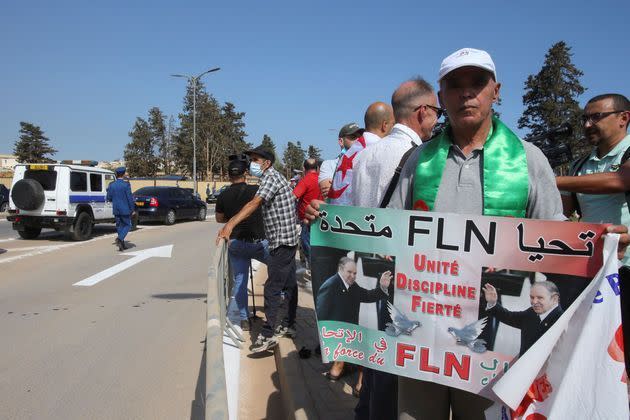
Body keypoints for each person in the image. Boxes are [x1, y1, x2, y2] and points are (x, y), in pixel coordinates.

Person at [216, 145, 299, 353]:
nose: (252, 163)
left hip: (282, 240)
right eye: (251, 160)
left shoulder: (271, 177)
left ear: (266, 163)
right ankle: (288, 323)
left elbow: (255, 203)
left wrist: (229, 225)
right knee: (288, 282)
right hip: (282, 239)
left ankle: (268, 334)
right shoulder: (270, 178)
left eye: (255, 159)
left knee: (271, 287)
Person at [557, 93, 630, 264]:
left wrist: (552, 181)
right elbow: (559, 215)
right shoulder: (578, 166)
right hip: (592, 265)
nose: (587, 125)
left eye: (596, 117)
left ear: (623, 118)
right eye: (585, 119)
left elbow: (621, 179)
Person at [352, 78, 441, 208]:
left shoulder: (361, 155)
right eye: (437, 112)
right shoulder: (422, 158)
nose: (438, 120)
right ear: (423, 111)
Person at [216, 156, 269, 331]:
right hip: (258, 243)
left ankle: (245, 319)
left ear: (228, 175)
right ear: (245, 173)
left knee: (240, 280)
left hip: (237, 243)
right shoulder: (256, 190)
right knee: (280, 267)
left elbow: (219, 218)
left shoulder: (223, 195)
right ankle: (277, 306)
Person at [328, 102, 395, 205]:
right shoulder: (378, 150)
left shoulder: (351, 151)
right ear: (385, 125)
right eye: (393, 125)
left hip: (339, 214)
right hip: (359, 216)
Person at [482, 281, 563, 356]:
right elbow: (509, 317)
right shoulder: (532, 312)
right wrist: (492, 302)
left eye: (540, 298)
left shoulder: (564, 321)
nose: (534, 302)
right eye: (532, 297)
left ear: (554, 299)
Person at [316, 257, 392, 324]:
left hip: (350, 334)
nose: (352, 276)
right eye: (349, 272)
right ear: (340, 269)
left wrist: (383, 286)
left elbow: (368, 296)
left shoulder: (352, 285)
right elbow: (321, 316)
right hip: (336, 334)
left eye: (355, 273)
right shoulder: (330, 286)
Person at [318, 123, 364, 199]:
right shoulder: (329, 164)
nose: (358, 140)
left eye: (360, 137)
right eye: (353, 137)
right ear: (341, 141)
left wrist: (337, 186)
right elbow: (328, 194)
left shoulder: (366, 162)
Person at [293, 158, 322, 268]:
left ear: (304, 168)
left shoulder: (305, 180)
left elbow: (294, 196)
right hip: (322, 219)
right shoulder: (322, 179)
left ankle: (314, 268)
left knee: (307, 245)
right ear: (317, 168)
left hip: (308, 220)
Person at [106, 166, 135, 252]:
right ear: (123, 174)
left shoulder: (111, 185)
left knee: (119, 226)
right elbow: (129, 198)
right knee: (128, 225)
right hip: (125, 209)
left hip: (116, 209)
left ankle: (121, 245)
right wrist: (132, 209)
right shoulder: (126, 185)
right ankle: (120, 239)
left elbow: (108, 198)